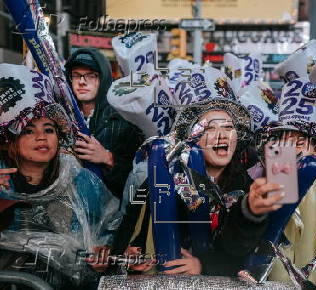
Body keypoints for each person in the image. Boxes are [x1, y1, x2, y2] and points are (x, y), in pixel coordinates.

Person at [112, 97, 285, 276]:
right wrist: (130, 256)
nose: (222, 134)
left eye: (228, 127)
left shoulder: (249, 188)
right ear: (191, 138)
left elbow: (247, 253)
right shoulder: (158, 181)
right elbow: (130, 231)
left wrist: (203, 267)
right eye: (210, 128)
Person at [0, 64, 121, 289]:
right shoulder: (2, 183)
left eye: (49, 129)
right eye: (28, 130)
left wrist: (105, 253)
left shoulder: (81, 181)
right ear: (9, 142)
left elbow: (110, 227)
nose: (41, 137)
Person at [65, 48, 143, 199]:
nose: (82, 81)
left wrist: (108, 158)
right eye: (76, 75)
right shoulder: (63, 118)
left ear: (104, 78)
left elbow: (138, 180)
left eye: (90, 75)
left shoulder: (124, 120)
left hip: (112, 213)